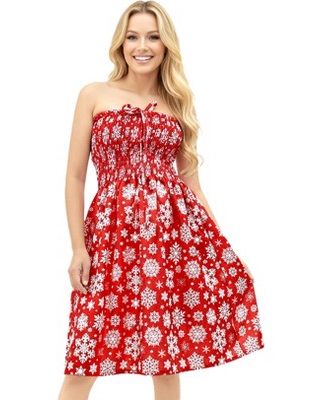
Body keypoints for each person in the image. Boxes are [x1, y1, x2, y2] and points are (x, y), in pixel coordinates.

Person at [58, 1, 264, 399]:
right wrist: (78, 248)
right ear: (120, 44)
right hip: (110, 240)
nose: (142, 46)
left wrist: (225, 252)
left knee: (166, 358)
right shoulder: (94, 95)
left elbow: (192, 187)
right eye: (133, 37)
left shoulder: (177, 104)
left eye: (153, 37)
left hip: (166, 243)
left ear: (166, 44)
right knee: (85, 354)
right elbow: (75, 176)